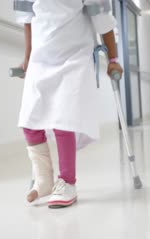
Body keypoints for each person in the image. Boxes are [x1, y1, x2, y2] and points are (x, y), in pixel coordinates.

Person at [14, 0, 123, 208]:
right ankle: (44, 180)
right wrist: (27, 59)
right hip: (41, 60)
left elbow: (103, 22)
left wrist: (113, 59)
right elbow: (27, 20)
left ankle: (67, 182)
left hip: (74, 57)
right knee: (29, 120)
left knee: (62, 120)